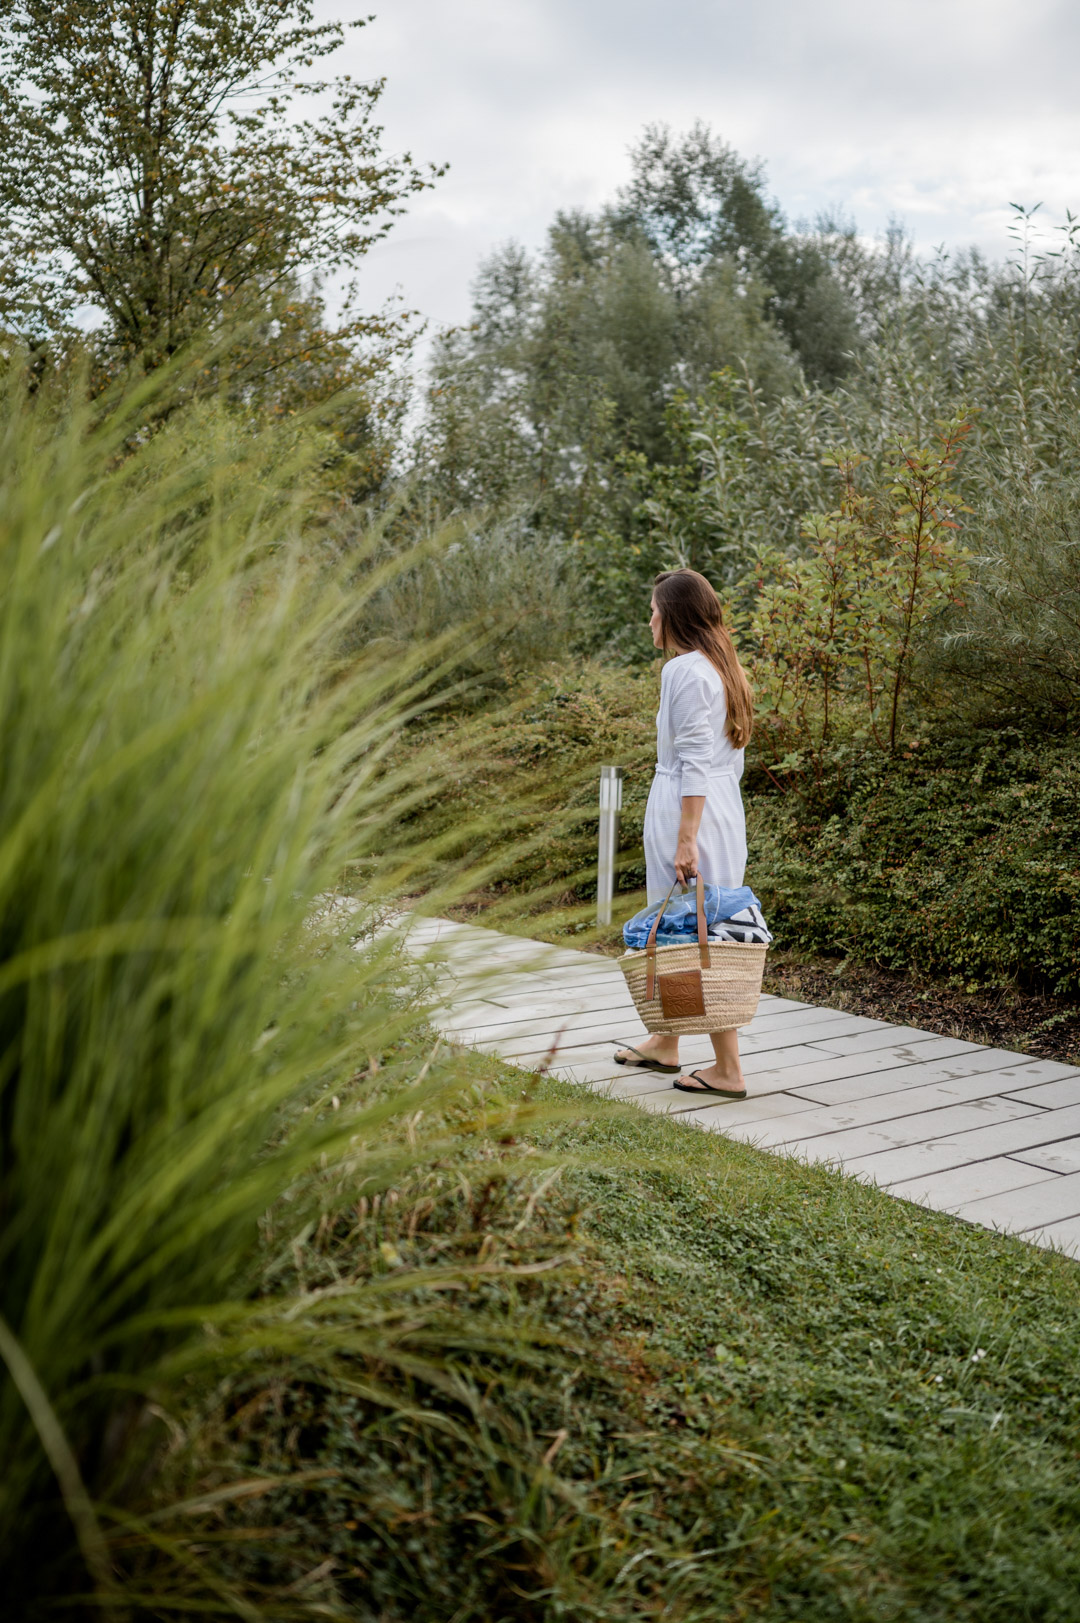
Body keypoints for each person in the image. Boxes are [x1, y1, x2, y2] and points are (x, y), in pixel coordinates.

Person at [615, 568, 755, 1098]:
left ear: (673, 614)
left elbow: (694, 762)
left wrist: (685, 837)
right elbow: (727, 762)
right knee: (687, 924)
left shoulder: (684, 672)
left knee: (702, 933)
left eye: (653, 609)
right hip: (718, 807)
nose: (648, 619)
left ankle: (727, 1069)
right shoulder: (722, 668)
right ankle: (666, 1040)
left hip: (688, 809)